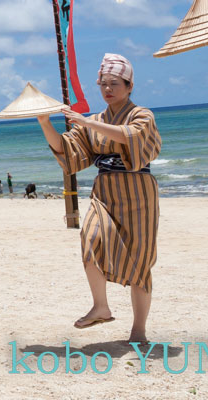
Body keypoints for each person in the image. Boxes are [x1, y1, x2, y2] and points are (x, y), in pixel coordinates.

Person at [37, 53, 160, 345]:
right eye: (103, 84)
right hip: (105, 191)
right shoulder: (94, 120)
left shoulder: (142, 114)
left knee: (140, 263)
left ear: (129, 86)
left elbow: (130, 136)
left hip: (139, 192)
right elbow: (68, 150)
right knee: (90, 239)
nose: (108, 89)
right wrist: (45, 122)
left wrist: (86, 123)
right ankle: (101, 306)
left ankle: (138, 331)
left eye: (114, 84)